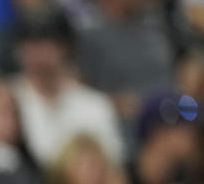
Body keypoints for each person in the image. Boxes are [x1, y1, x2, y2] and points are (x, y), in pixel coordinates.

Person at [11, 10, 124, 170]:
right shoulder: (6, 100)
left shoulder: (94, 105)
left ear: (66, 47)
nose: (39, 52)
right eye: (31, 43)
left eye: (47, 42)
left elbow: (112, 167)